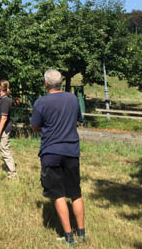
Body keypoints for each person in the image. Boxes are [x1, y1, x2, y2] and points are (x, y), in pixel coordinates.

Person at [31, 69, 85, 247]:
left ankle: (69, 237)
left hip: (51, 152)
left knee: (58, 194)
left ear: (46, 84)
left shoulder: (41, 102)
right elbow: (78, 120)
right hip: (71, 151)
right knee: (75, 192)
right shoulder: (72, 99)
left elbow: (35, 127)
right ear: (61, 82)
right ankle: (82, 234)